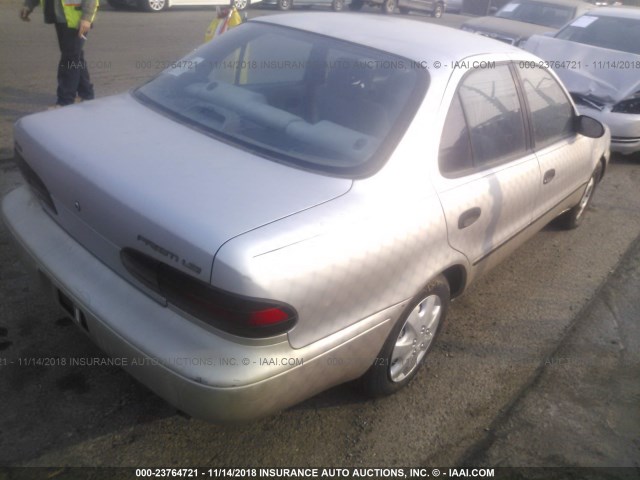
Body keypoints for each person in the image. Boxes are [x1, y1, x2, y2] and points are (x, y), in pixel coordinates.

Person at [20, 0, 99, 107]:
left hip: (77, 19)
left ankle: (65, 102)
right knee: (75, 56)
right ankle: (86, 95)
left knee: (69, 59)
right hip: (60, 17)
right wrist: (29, 5)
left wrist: (87, 17)